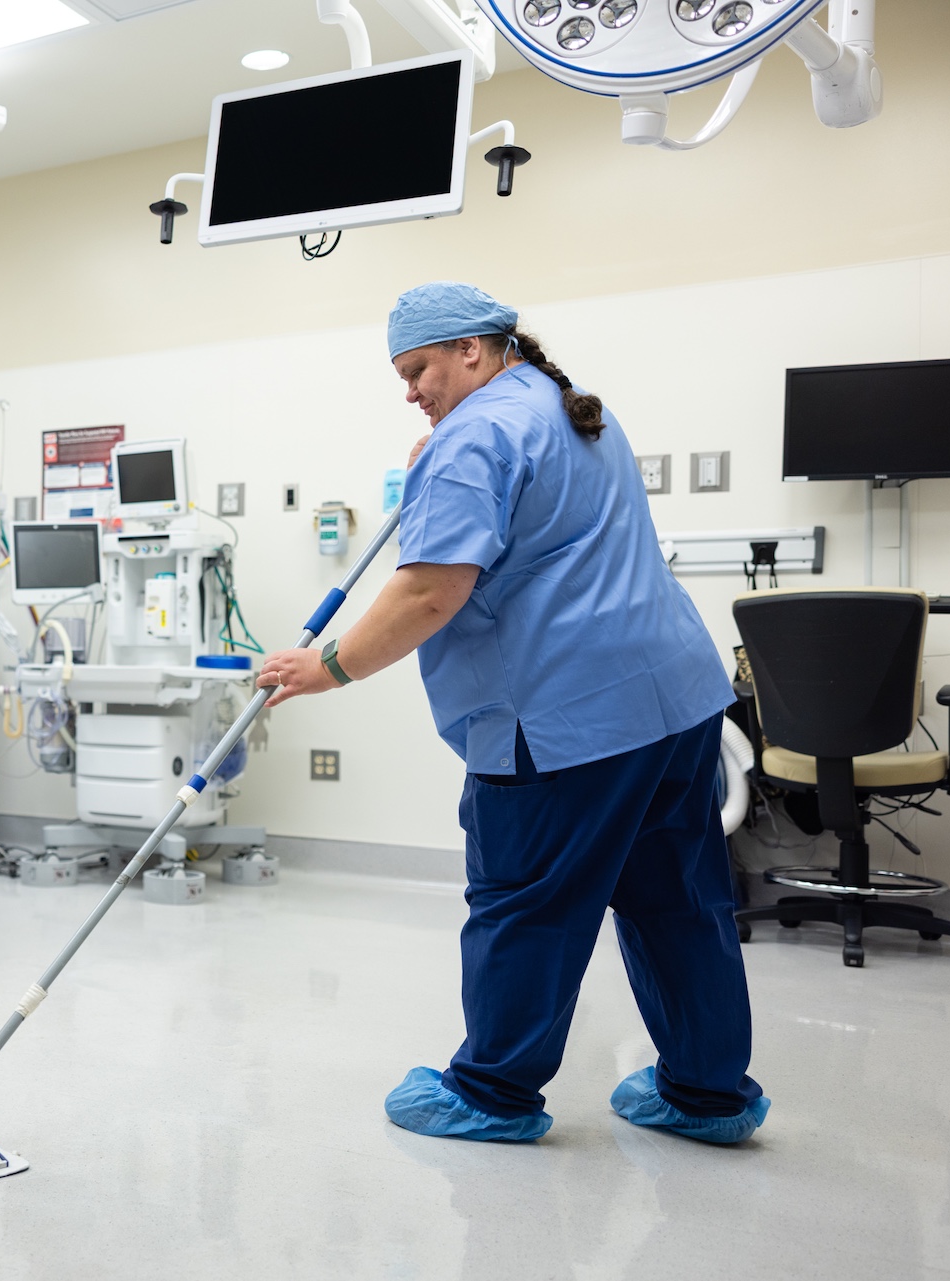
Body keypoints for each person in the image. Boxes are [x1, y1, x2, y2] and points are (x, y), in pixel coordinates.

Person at [256, 282, 769, 1146]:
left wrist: (328, 666)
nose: (410, 389)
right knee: (677, 902)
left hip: (564, 720)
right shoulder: (570, 413)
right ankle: (707, 1091)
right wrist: (439, 461)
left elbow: (429, 591)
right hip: (672, 702)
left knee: (525, 903)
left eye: (419, 369)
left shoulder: (476, 437)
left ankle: (492, 1090)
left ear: (473, 349)